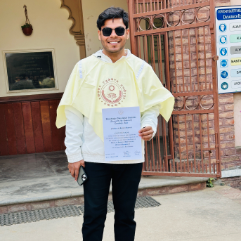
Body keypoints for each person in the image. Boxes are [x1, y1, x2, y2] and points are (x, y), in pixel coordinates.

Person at [56, 7, 174, 241]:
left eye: (119, 29)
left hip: (129, 156)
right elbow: (73, 112)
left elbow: (152, 105)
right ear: (99, 34)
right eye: (107, 30)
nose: (113, 34)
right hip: (94, 157)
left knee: (126, 216)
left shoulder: (141, 68)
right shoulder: (83, 69)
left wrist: (151, 125)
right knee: (93, 216)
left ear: (127, 32)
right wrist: (73, 154)